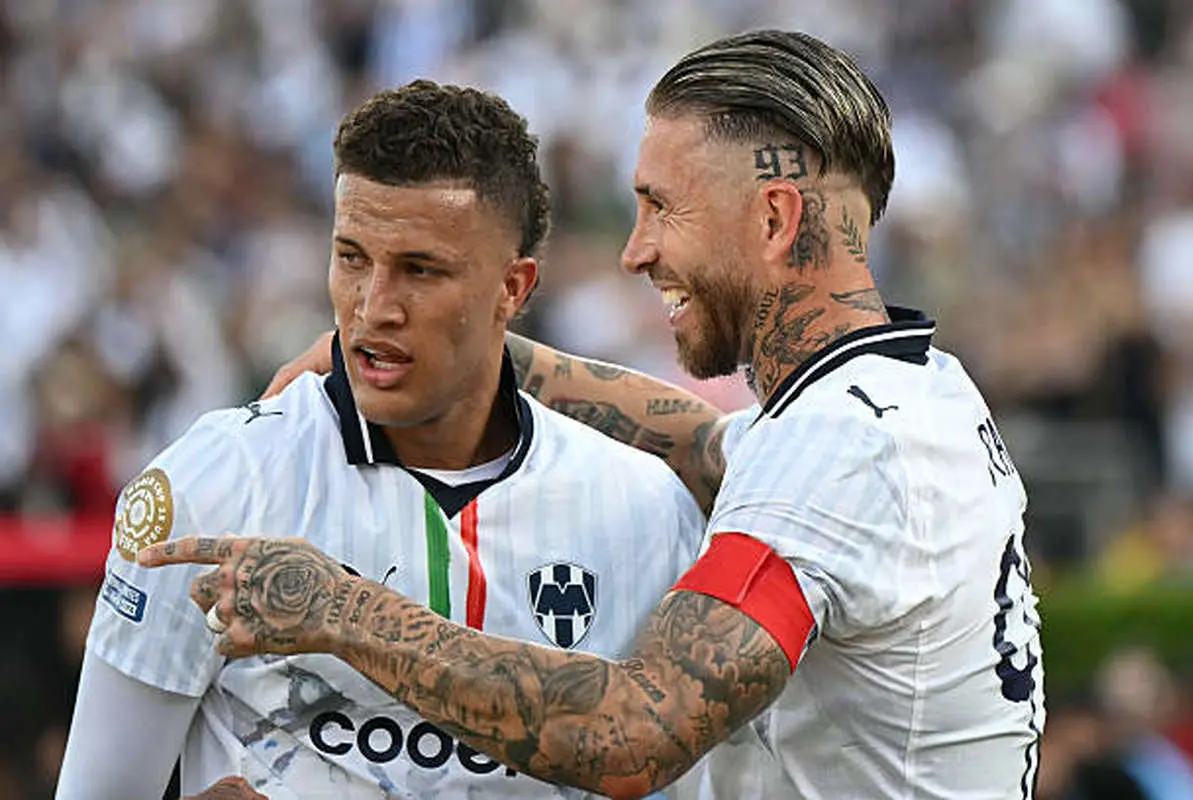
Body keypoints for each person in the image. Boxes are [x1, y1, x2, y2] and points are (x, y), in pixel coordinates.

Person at [143, 29, 1045, 800]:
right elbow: (705, 445)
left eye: (660, 208)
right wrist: (475, 352)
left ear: (774, 220)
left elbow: (632, 732)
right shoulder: (913, 392)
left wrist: (338, 607)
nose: (634, 251)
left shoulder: (838, 448)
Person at [56, 80, 712, 799]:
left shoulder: (642, 508)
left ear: (514, 288)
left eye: (420, 270)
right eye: (352, 258)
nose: (373, 307)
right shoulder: (216, 482)